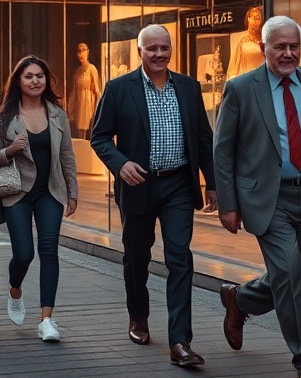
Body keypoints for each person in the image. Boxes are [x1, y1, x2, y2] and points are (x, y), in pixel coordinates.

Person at [214, 16, 301, 378]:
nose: (288, 53)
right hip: (267, 199)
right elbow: (223, 151)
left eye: (294, 46)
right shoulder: (241, 88)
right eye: (280, 47)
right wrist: (227, 204)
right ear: (264, 48)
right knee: (288, 273)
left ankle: (240, 299)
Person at [89, 24, 217, 368]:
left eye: (165, 48)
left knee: (180, 258)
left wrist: (213, 184)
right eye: (152, 49)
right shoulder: (118, 89)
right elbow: (99, 136)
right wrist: (120, 164)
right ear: (140, 52)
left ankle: (180, 342)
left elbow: (203, 139)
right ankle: (138, 316)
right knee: (136, 257)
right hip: (137, 185)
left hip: (177, 185)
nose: (159, 54)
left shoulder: (189, 87)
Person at [0, 55, 78, 343]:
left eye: (40, 75)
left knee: (49, 249)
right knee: (24, 253)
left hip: (50, 190)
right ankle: (15, 289)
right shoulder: (1, 116)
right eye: (29, 76)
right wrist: (11, 150)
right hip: (17, 193)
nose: (35, 80)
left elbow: (66, 154)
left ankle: (47, 319)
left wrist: (72, 191)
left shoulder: (57, 114)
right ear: (19, 81)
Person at [67, 43, 101, 139]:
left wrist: (100, 107)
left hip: (88, 103)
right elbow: (74, 91)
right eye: (79, 51)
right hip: (79, 104)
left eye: (83, 50)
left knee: (87, 129)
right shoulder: (78, 71)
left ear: (87, 52)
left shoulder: (91, 69)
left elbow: (96, 90)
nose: (80, 54)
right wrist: (70, 108)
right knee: (80, 131)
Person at [227, 6, 265, 79]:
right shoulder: (239, 38)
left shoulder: (264, 39)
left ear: (262, 21)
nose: (254, 20)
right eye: (251, 17)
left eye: (257, 18)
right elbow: (233, 64)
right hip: (245, 79)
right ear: (248, 19)